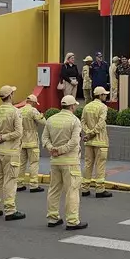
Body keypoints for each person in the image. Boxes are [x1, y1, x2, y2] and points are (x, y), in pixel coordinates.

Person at [42, 95, 88, 230]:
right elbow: (74, 142)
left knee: (54, 190)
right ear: (73, 106)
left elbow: (44, 138)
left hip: (55, 161)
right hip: (70, 162)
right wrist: (61, 150)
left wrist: (52, 149)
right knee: (72, 191)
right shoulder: (74, 121)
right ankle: (72, 220)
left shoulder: (51, 119)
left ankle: (52, 217)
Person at [0, 85, 26, 221]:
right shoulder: (15, 112)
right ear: (10, 96)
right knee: (10, 180)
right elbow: (18, 133)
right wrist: (4, 137)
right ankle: (10, 210)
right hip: (11, 151)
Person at [81, 86, 112, 198]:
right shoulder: (103, 107)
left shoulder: (87, 107)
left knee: (88, 164)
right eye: (104, 94)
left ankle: (85, 188)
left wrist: (88, 133)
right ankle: (100, 189)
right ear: (100, 95)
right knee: (100, 165)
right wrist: (93, 133)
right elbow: (101, 123)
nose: (106, 96)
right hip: (100, 141)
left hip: (89, 142)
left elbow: (83, 122)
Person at [17, 94, 46, 193]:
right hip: (32, 140)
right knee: (33, 163)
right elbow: (43, 122)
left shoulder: (19, 111)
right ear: (33, 102)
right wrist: (42, 116)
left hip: (21, 140)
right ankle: (33, 185)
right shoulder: (33, 111)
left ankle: (19, 184)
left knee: (21, 164)